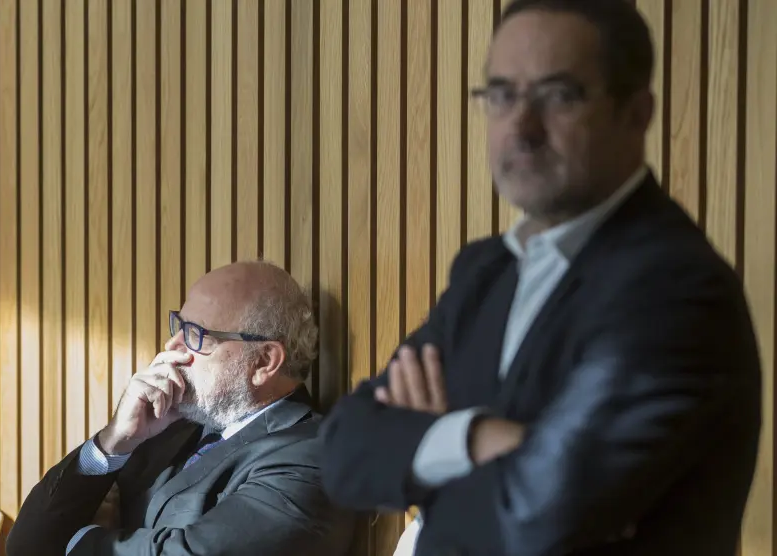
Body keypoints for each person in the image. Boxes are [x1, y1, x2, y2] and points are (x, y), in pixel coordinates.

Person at [319, 1, 761, 555]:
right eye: (503, 95)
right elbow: (341, 453)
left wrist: (424, 459)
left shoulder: (676, 292)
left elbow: (540, 523)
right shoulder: (486, 272)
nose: (522, 128)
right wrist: (475, 437)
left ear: (637, 113)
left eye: (558, 95)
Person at [7, 261, 354, 556]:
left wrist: (78, 540)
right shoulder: (169, 426)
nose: (172, 347)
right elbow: (27, 546)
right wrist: (114, 442)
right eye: (179, 326)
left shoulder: (313, 457)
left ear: (264, 361)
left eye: (196, 334)